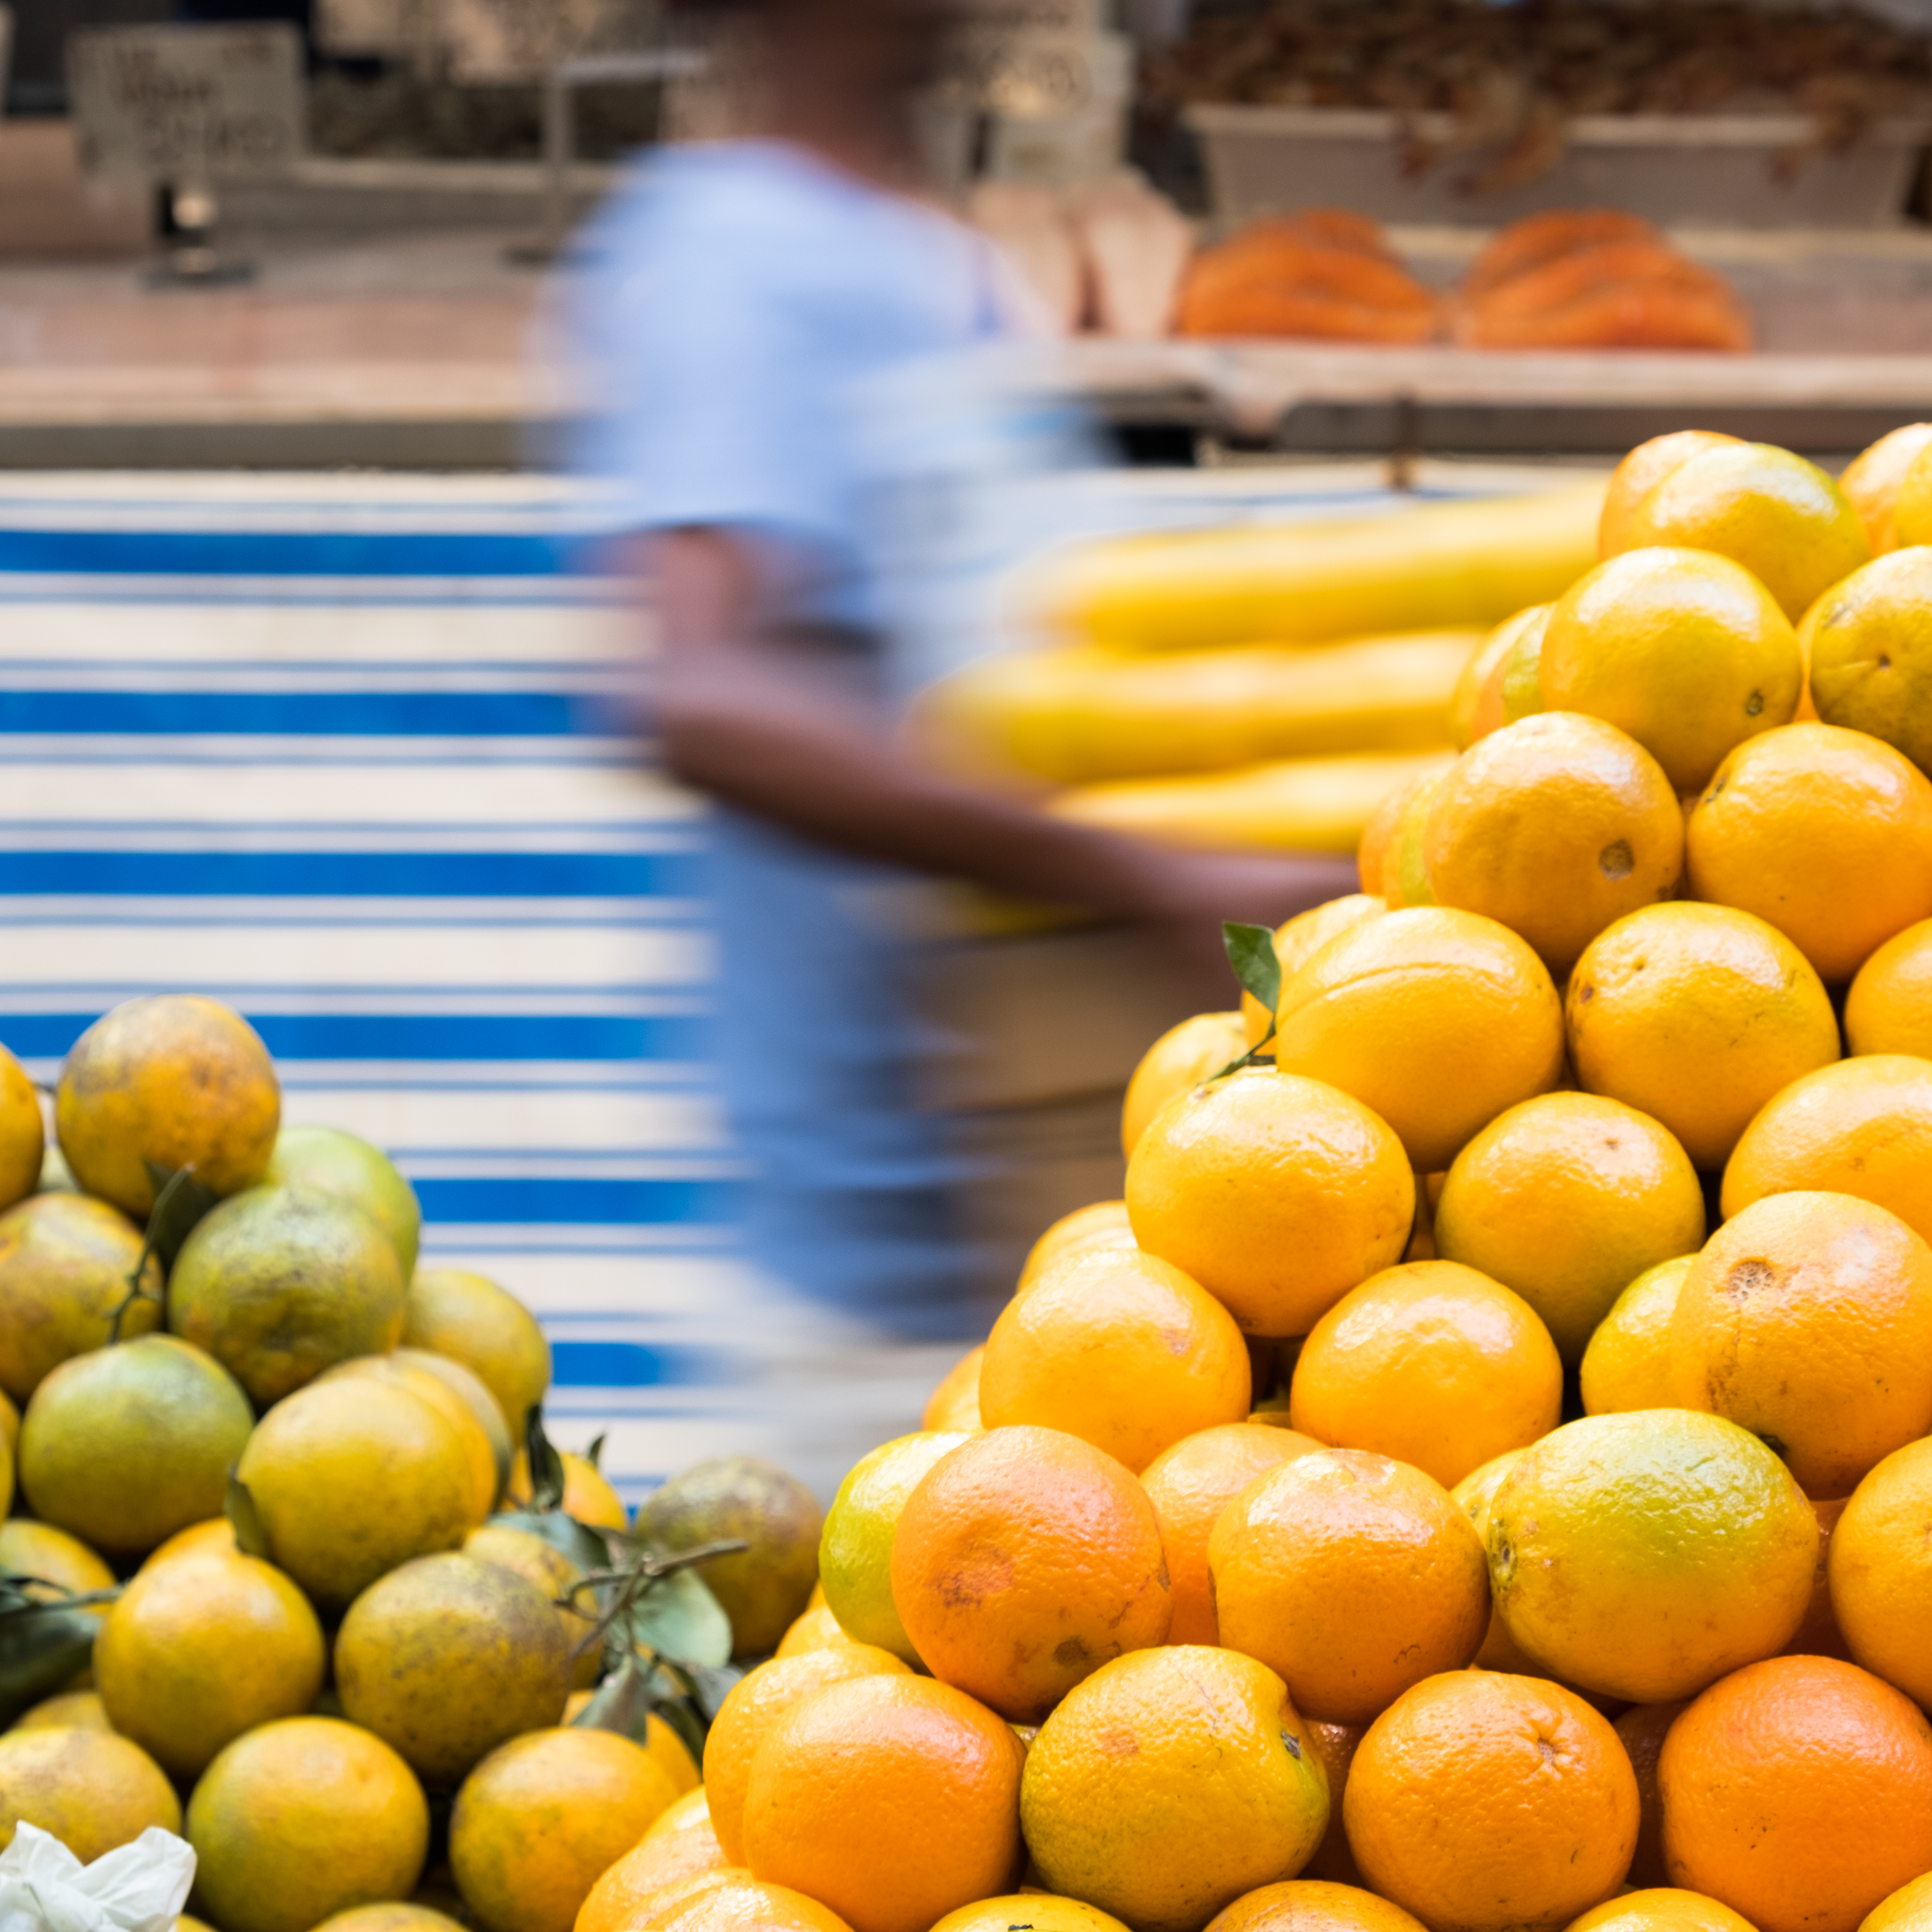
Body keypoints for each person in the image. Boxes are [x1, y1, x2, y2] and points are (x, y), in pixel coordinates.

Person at [569, 0, 1357, 1365]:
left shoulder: (926, 251)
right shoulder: (732, 256)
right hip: (880, 1254)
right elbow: (699, 696)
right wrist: (1137, 872)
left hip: (1025, 1220)